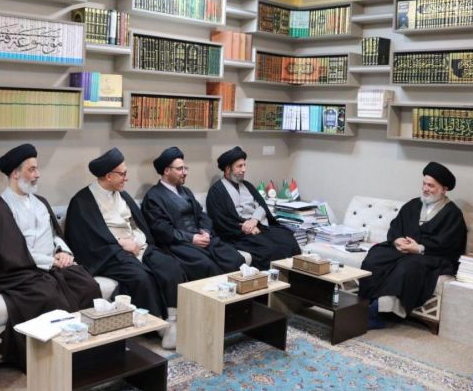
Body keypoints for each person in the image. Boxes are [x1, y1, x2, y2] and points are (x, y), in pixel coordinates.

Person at [0, 144, 101, 370]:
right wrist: (49, 262)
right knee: (49, 295)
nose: (37, 174)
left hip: (51, 266)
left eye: (37, 168)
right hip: (18, 272)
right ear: (15, 173)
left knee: (88, 285)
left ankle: (88, 350)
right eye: (32, 169)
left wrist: (63, 252)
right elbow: (9, 253)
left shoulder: (41, 202)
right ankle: (52, 361)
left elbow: (56, 235)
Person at [64, 147, 186, 349]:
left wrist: (136, 242)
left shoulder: (122, 195)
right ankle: (159, 327)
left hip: (138, 246)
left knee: (170, 266)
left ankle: (173, 320)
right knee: (141, 277)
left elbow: (137, 225)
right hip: (110, 254)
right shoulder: (82, 201)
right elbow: (86, 241)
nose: (126, 178)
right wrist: (119, 243)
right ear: (108, 176)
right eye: (123, 174)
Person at [359, 162, 467, 329]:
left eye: (431, 186)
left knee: (407, 267)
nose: (425, 189)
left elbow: (449, 244)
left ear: (444, 189)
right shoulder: (413, 205)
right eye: (424, 184)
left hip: (432, 256)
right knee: (376, 256)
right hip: (404, 251)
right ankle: (363, 304)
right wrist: (397, 240)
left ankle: (378, 311)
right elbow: (396, 227)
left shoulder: (453, 214)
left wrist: (419, 248)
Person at [141, 146, 244, 279]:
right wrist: (192, 239)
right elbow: (163, 230)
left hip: (202, 239)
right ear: (166, 170)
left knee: (235, 259)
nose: (185, 172)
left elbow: (202, 215)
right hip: (178, 245)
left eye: (185, 168)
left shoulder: (186, 191)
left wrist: (205, 231)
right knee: (207, 266)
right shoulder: (153, 197)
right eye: (180, 169)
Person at [206, 146, 301, 269]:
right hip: (238, 234)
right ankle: (272, 279)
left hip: (259, 226)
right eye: (239, 166)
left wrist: (255, 220)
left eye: (244, 165)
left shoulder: (247, 186)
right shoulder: (216, 192)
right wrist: (246, 228)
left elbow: (262, 206)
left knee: (288, 240)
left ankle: (294, 279)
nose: (244, 169)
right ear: (228, 169)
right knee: (268, 249)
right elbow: (220, 221)